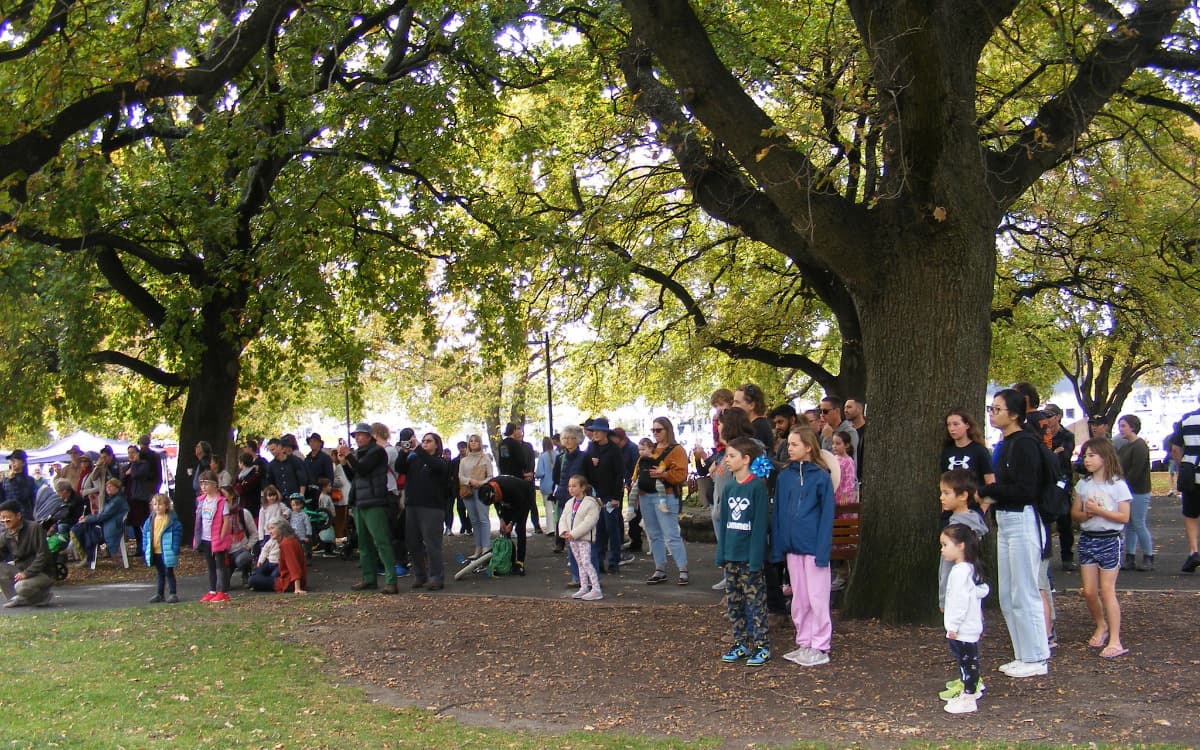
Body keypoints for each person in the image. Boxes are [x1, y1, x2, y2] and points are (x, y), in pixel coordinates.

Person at [978, 389, 1050, 678]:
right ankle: (1023, 653)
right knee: (1008, 593)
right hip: (1005, 520)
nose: (993, 413)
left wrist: (986, 491)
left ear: (1015, 414)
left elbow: (1025, 489)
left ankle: (1036, 656)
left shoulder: (1025, 444)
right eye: (991, 408)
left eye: (998, 409)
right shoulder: (1004, 444)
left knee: (1025, 590)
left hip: (1023, 519)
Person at [772, 425, 835, 667]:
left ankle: (820, 645)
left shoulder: (820, 476)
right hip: (792, 547)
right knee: (800, 598)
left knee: (817, 597)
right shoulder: (785, 476)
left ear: (809, 447)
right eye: (788, 444)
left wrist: (822, 551)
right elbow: (778, 511)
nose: (790, 448)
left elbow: (827, 515)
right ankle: (804, 641)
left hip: (813, 547)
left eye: (795, 444)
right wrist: (779, 546)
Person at [1072, 438, 1131, 658]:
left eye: (1092, 455)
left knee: (1107, 590)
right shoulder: (1083, 484)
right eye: (1085, 456)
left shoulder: (1117, 485)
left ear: (1105, 458)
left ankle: (1115, 639)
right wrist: (1087, 514)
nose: (1087, 460)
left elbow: (1124, 516)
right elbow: (1075, 514)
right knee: (1088, 591)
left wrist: (1100, 511)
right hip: (1088, 538)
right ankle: (1101, 624)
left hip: (1110, 539)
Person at [716, 437, 771, 667]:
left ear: (746, 459)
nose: (727, 460)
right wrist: (722, 554)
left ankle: (762, 645)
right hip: (731, 555)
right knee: (734, 603)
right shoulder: (729, 487)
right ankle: (740, 642)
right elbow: (724, 523)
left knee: (755, 602)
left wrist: (756, 559)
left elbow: (759, 527)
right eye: (727, 456)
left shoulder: (757, 487)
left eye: (731, 456)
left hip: (749, 558)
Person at [339, 422, 399, 594]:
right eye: (355, 436)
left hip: (374, 501)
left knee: (382, 541)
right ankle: (368, 578)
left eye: (360, 435)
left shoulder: (377, 452)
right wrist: (344, 463)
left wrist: (349, 456)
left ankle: (391, 580)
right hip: (360, 501)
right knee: (364, 544)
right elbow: (354, 476)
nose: (357, 438)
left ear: (369, 436)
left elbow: (363, 469)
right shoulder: (358, 453)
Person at [939, 523, 991, 715]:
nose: (942, 550)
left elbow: (960, 601)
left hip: (962, 629)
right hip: (967, 626)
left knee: (967, 662)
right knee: (967, 661)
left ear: (960, 545)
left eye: (945, 545)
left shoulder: (961, 572)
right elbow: (978, 591)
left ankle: (969, 696)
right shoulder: (968, 569)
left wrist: (953, 625)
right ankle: (968, 691)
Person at [635, 417, 689, 585]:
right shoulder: (649, 448)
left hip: (665, 494)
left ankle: (683, 569)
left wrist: (664, 474)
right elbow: (637, 471)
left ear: (668, 430)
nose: (655, 433)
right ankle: (660, 568)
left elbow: (681, 475)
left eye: (659, 430)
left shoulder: (677, 450)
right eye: (653, 430)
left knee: (671, 534)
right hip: (645, 495)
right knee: (653, 534)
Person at [395, 432, 450, 590]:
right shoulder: (415, 459)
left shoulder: (440, 461)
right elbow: (400, 467)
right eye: (423, 441)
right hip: (412, 506)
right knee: (412, 543)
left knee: (432, 544)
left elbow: (434, 465)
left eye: (428, 441)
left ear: (436, 445)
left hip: (432, 508)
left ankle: (436, 577)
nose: (425, 444)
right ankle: (420, 574)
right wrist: (403, 452)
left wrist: (418, 448)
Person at [938, 470, 990, 612]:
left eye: (946, 493)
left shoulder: (957, 530)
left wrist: (943, 599)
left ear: (963, 495)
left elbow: (948, 565)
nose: (941, 497)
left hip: (957, 595)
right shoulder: (973, 522)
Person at [584, 417, 625, 574]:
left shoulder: (614, 450)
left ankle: (614, 560)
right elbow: (586, 469)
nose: (595, 434)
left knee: (611, 527)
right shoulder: (591, 447)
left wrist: (616, 497)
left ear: (605, 433)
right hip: (596, 495)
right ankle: (598, 560)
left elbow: (618, 474)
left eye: (598, 431)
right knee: (598, 528)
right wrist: (591, 464)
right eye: (593, 431)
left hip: (610, 495)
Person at [478, 473, 536, 576]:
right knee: (504, 531)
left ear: (495, 493)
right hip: (506, 500)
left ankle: (520, 562)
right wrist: (501, 519)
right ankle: (509, 559)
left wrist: (511, 523)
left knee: (520, 528)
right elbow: (496, 504)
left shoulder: (511, 488)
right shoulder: (488, 487)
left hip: (524, 497)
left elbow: (520, 507)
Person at [1116, 415, 1153, 571]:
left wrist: (1123, 485)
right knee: (1130, 524)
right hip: (1127, 490)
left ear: (1132, 427)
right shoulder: (1125, 446)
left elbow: (1136, 471)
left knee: (1138, 523)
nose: (1121, 429)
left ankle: (1148, 556)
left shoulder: (1140, 446)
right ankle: (1129, 556)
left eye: (1124, 426)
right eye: (1120, 426)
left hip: (1139, 490)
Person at [0, 499, 54, 608]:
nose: (5, 522)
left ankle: (43, 597)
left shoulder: (34, 528)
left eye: (8, 519)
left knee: (21, 586)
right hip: (21, 570)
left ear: (18, 516)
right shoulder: (6, 534)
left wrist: (27, 573)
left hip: (43, 572)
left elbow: (43, 555)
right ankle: (17, 598)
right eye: (2, 519)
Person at [559, 475, 603, 601]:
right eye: (569, 486)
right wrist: (565, 532)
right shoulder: (569, 503)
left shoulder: (591, 503)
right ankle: (584, 587)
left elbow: (589, 522)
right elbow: (563, 518)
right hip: (572, 539)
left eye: (574, 486)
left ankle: (596, 588)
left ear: (583, 487)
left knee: (586, 562)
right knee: (579, 563)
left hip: (583, 539)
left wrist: (574, 533)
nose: (571, 489)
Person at [1169, 394, 1200, 572]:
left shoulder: (1187, 420)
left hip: (1191, 474)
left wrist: (1183, 464)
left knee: (1191, 514)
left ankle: (1194, 551)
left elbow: (1175, 448)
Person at [193, 471, 232, 603]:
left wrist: (221, 535)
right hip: (205, 538)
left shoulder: (221, 502)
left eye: (206, 484)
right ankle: (212, 590)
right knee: (210, 566)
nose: (203, 487)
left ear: (215, 485)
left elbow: (226, 520)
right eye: (201, 484)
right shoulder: (202, 501)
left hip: (217, 539)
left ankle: (222, 591)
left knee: (220, 565)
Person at [72, 478, 129, 567]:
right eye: (107, 487)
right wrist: (87, 518)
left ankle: (87, 556)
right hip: (106, 524)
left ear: (117, 488)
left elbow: (103, 516)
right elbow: (102, 515)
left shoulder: (117, 501)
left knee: (83, 529)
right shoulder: (111, 500)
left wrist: (87, 519)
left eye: (111, 486)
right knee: (79, 528)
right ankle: (86, 556)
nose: (108, 488)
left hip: (111, 527)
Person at [551, 425, 588, 559]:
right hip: (563, 495)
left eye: (571, 438)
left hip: (579, 497)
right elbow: (556, 477)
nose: (567, 441)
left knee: (578, 527)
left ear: (578, 439)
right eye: (564, 438)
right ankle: (569, 552)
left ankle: (578, 555)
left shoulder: (584, 457)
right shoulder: (560, 458)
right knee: (564, 525)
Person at [459, 434, 494, 561]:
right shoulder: (464, 460)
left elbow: (490, 476)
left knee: (483, 519)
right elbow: (461, 476)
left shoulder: (485, 459)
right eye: (471, 441)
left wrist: (482, 483)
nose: (473, 443)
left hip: (481, 491)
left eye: (476, 441)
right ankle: (478, 547)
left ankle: (486, 546)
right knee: (474, 520)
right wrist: (470, 481)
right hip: (468, 491)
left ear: (480, 443)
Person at [142, 492, 182, 603]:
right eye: (155, 504)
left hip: (167, 550)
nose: (157, 507)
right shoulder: (150, 520)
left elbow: (177, 534)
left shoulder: (171, 520)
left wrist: (175, 548)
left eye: (160, 504)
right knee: (160, 573)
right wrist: (146, 548)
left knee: (169, 572)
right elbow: (145, 535)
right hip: (155, 551)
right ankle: (159, 594)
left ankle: (173, 593)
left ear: (166, 506)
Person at [249, 519, 308, 594]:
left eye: (272, 528)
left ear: (281, 528)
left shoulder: (287, 543)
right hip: (285, 577)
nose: (270, 532)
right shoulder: (289, 540)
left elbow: (293, 565)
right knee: (258, 573)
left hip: (287, 582)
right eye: (269, 529)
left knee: (252, 580)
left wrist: (297, 588)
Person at [123, 445, 154, 557]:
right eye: (129, 453)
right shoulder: (128, 466)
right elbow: (123, 480)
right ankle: (139, 547)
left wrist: (135, 465)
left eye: (133, 452)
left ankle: (148, 546)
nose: (131, 455)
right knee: (135, 524)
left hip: (141, 498)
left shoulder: (143, 465)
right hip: (131, 498)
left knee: (143, 523)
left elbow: (136, 475)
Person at [733, 384, 775, 450]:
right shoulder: (756, 425)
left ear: (751, 405)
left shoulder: (758, 427)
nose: (733, 406)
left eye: (737, 402)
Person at [2, 449, 37, 519]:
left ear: (23, 463)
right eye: (11, 461)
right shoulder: (6, 479)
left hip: (23, 518)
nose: (12, 463)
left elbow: (21, 496)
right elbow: (3, 497)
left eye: (15, 460)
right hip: (8, 517)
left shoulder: (29, 480)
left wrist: (12, 480)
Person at [535, 436, 558, 538]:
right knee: (556, 508)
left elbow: (540, 473)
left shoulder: (542, 457)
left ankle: (550, 529)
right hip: (556, 485)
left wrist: (535, 475)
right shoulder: (557, 455)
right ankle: (558, 528)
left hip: (546, 486)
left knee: (548, 508)